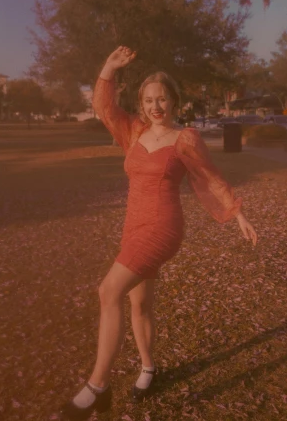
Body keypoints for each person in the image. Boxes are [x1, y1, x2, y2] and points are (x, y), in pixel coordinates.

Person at [61, 46, 258, 419]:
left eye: (162, 99)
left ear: (174, 101)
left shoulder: (186, 139)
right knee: (139, 303)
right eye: (149, 100)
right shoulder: (132, 132)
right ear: (142, 103)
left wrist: (237, 215)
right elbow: (104, 108)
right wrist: (109, 67)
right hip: (133, 225)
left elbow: (211, 179)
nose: (156, 106)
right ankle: (149, 367)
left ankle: (97, 386)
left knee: (108, 291)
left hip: (163, 227)